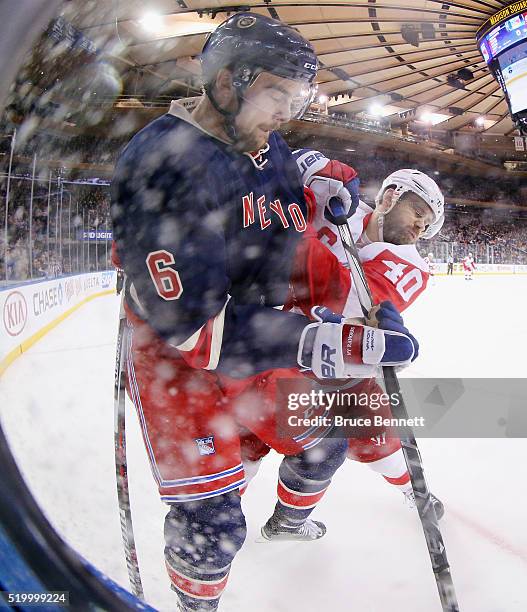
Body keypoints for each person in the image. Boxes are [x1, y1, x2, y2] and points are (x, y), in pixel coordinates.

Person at [111, 13, 419, 612]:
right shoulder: (164, 166)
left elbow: (269, 190)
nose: (287, 113)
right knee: (213, 527)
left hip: (263, 339)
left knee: (327, 436)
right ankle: (197, 603)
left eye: (296, 98)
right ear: (227, 82)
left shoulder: (262, 139)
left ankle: (287, 519)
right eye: (278, 94)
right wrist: (332, 343)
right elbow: (195, 330)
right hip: (180, 364)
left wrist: (311, 182)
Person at [241, 155, 446, 533]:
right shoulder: (337, 200)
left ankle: (414, 491)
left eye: (428, 222)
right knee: (248, 440)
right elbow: (270, 183)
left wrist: (293, 227)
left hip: (337, 358)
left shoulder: (411, 266)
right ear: (389, 197)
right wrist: (303, 171)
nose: (421, 225)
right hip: (275, 340)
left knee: (377, 434)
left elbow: (342, 297)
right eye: (418, 211)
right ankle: (221, 515)